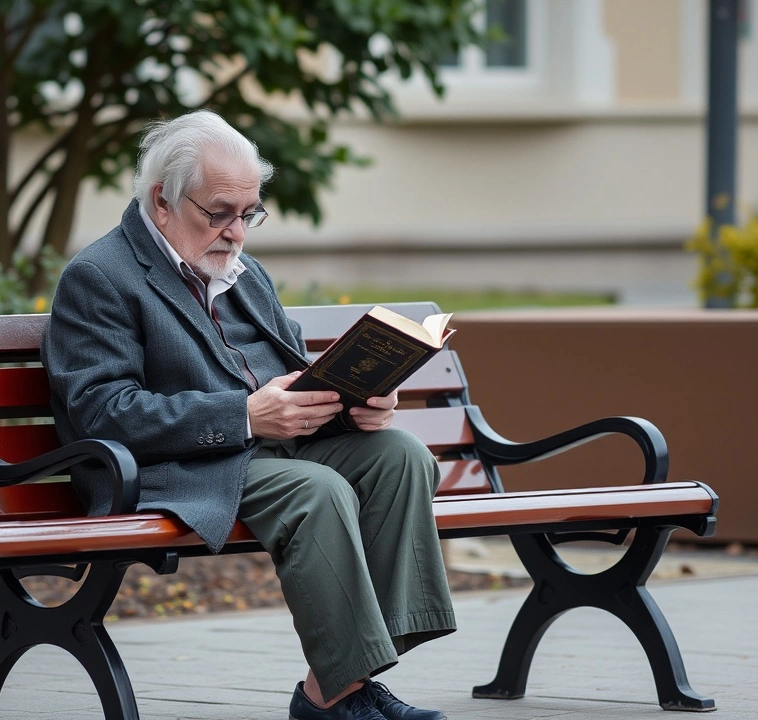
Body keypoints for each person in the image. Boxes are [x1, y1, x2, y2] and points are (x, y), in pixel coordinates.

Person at [41, 110, 455, 720]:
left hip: (266, 452)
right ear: (163, 201)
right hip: (177, 468)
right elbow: (103, 413)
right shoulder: (100, 277)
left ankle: (334, 686)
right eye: (219, 213)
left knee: (401, 457)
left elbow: (293, 378)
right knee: (317, 490)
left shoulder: (243, 274)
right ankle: (344, 697)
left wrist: (360, 399)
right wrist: (243, 416)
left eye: (248, 214)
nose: (237, 232)